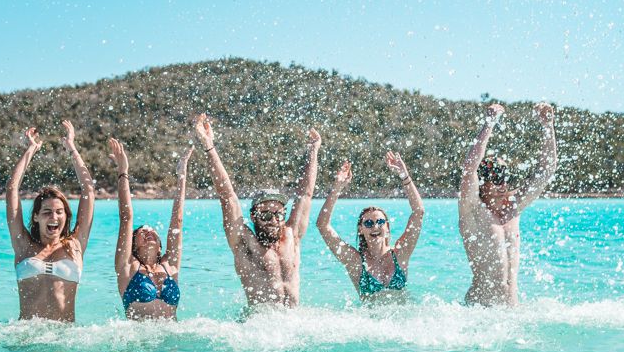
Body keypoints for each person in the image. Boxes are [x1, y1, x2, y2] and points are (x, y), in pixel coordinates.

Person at [192, 113, 320, 308]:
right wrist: (209, 146)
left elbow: (305, 195)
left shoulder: (291, 235)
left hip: (294, 323)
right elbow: (227, 196)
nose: (273, 220)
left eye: (278, 214)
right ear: (254, 215)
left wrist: (313, 151)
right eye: (266, 215)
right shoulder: (243, 241)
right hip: (259, 326)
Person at [459, 102, 557, 307]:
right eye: (495, 177)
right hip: (479, 310)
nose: (502, 183)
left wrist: (548, 126)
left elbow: (545, 172)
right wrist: (489, 123)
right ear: (482, 182)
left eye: (505, 176)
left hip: (511, 311)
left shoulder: (513, 208)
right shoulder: (472, 209)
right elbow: (469, 169)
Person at [5, 121, 96, 322]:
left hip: (65, 339)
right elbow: (12, 188)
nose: (54, 217)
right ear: (36, 217)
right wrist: (31, 149)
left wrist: (71, 147)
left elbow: (88, 190)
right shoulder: (24, 246)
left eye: (59, 212)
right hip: (26, 337)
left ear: (66, 216)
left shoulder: (75, 245)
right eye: (46, 212)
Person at [315, 153, 425, 302]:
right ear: (361, 229)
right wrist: (337, 188)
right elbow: (322, 225)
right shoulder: (356, 262)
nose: (375, 227)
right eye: (368, 223)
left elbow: (418, 212)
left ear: (387, 227)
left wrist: (405, 176)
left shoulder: (400, 254)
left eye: (380, 222)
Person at [110, 137, 193, 320]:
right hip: (139, 343)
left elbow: (177, 221)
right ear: (133, 244)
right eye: (142, 233)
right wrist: (123, 172)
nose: (149, 232)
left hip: (172, 340)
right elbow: (126, 218)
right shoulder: (127, 267)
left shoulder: (169, 265)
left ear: (161, 245)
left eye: (152, 231)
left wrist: (182, 176)